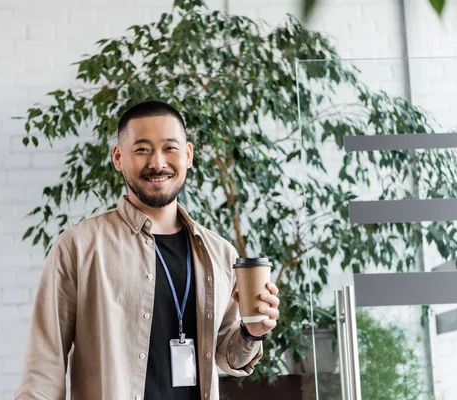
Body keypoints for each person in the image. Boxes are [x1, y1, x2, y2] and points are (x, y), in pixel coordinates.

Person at [15, 100, 280, 400]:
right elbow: (43, 363)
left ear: (188, 155)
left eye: (170, 148)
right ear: (118, 157)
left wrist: (253, 332)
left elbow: (228, 358)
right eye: (142, 149)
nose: (157, 163)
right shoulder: (79, 246)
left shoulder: (220, 253)